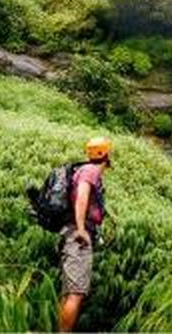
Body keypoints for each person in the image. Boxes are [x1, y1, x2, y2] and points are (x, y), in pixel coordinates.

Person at [58, 136, 112, 332]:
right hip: (78, 235)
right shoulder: (90, 172)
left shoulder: (85, 170)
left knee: (69, 292)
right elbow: (81, 198)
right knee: (76, 293)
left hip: (71, 233)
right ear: (106, 154)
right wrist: (81, 229)